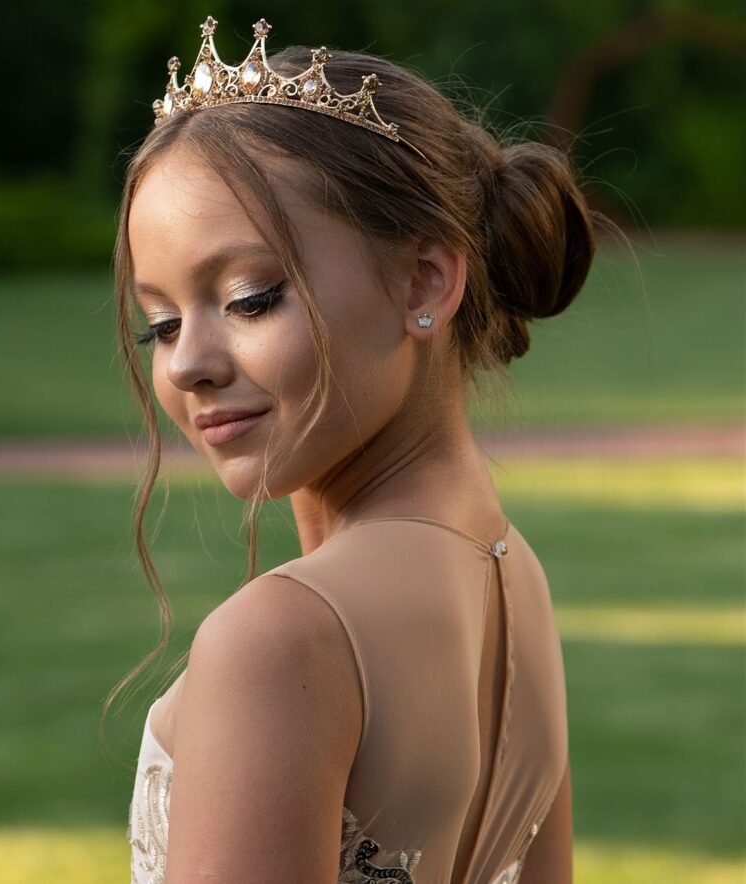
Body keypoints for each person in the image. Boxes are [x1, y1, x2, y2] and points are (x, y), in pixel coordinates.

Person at [107, 14, 607, 883]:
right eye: (160, 323)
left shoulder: (281, 640)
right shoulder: (512, 575)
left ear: (425, 282)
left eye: (251, 297)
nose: (187, 364)